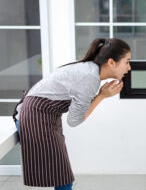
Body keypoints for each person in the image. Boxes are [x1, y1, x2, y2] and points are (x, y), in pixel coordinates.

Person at [12, 38, 131, 190]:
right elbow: (74, 121)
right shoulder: (90, 78)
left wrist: (100, 94)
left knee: (63, 177)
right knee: (63, 179)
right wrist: (101, 96)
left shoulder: (89, 69)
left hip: (43, 115)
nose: (129, 68)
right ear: (111, 62)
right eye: (127, 62)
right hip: (36, 117)